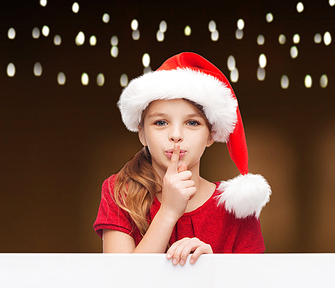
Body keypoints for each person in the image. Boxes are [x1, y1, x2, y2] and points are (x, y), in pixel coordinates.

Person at [94, 52, 271, 265]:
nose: (176, 135)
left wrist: (212, 268)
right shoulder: (119, 192)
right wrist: (168, 212)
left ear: (210, 135)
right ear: (142, 133)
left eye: (192, 123)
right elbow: (118, 282)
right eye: (160, 122)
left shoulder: (236, 208)